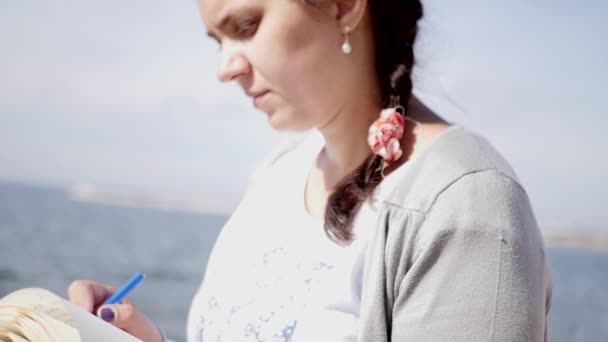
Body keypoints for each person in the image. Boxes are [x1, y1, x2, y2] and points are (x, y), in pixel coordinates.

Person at [68, 0, 553, 341]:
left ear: (343, 6)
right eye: (216, 40)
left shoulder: (463, 204)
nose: (224, 67)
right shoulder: (277, 174)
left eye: (245, 27)